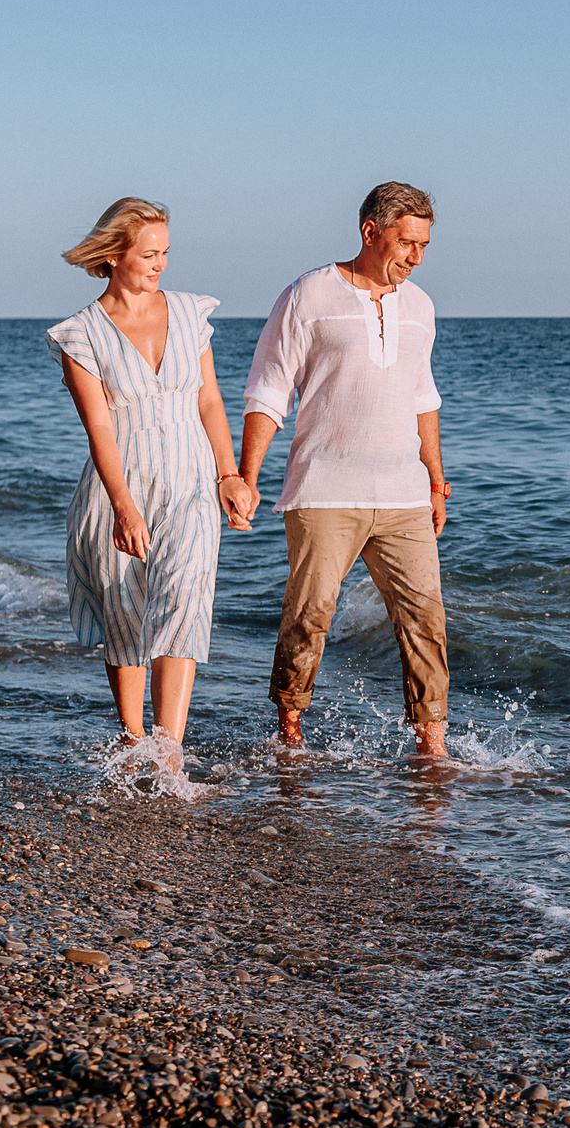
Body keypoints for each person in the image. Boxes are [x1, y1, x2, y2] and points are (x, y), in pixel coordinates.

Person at [237, 182, 452, 756]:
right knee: (310, 614)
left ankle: (431, 740)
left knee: (425, 617)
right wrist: (246, 478)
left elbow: (422, 399)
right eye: (407, 242)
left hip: (404, 492)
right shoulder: (308, 295)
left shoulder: (421, 307)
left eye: (425, 245)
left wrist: (435, 481)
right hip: (325, 490)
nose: (416, 256)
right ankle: (289, 729)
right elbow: (267, 392)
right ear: (370, 232)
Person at [48, 198, 256, 769]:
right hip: (120, 487)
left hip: (191, 481)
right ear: (114, 255)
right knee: (124, 613)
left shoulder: (191, 314)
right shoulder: (83, 335)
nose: (161, 263)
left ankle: (169, 750)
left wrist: (230, 473)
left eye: (166, 252)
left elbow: (209, 399)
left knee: (185, 603)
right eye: (149, 253)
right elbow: (100, 430)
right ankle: (133, 737)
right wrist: (123, 506)